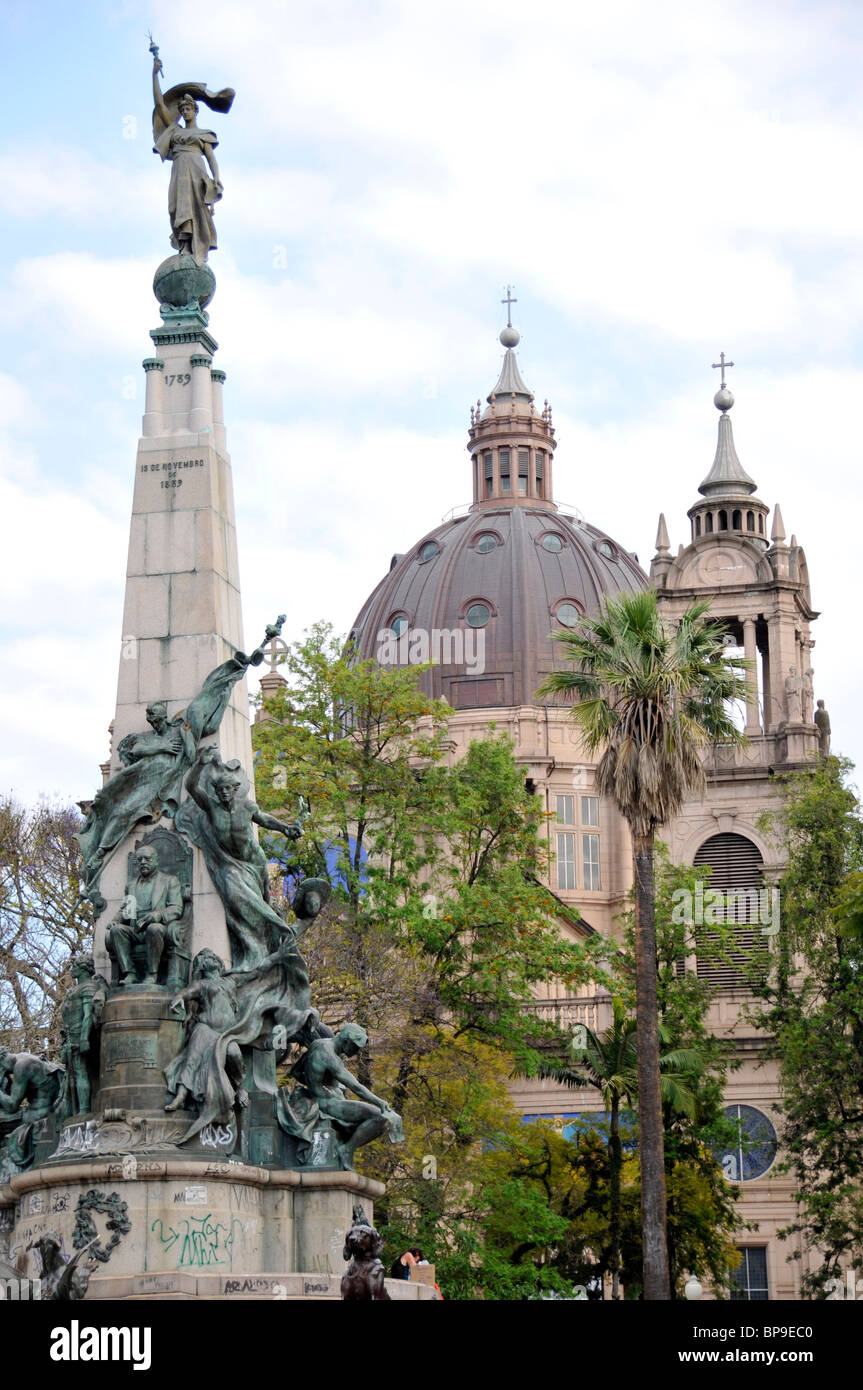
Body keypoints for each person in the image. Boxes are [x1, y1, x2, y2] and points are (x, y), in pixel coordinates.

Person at [152, 57, 222, 265]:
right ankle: (183, 243)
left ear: (194, 110)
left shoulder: (203, 134)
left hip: (196, 171)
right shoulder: (174, 130)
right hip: (179, 171)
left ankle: (191, 247)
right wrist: (155, 74)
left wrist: (216, 178)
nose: (184, 112)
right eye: (182, 110)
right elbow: (159, 104)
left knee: (196, 208)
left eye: (188, 109)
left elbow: (211, 158)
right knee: (176, 207)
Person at [106, 845, 184, 986]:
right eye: (139, 859)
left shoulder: (169, 880)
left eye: (147, 859)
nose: (142, 862)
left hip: (158, 928)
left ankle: (152, 974)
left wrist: (158, 915)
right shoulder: (131, 885)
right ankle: (130, 973)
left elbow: (176, 908)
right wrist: (115, 921)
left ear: (156, 861)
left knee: (154, 928)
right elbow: (126, 910)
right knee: (116, 930)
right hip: (136, 928)